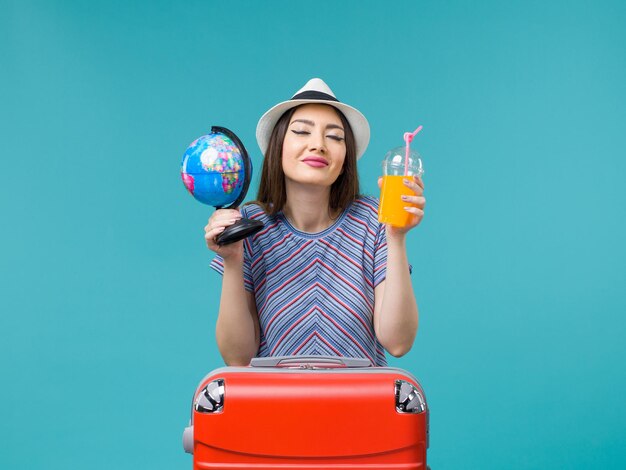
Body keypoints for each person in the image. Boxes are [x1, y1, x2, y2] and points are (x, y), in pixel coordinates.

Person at [205, 78, 425, 366]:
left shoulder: (374, 219)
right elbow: (237, 357)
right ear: (278, 146)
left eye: (334, 137)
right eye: (301, 132)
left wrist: (396, 237)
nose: (318, 145)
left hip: (361, 406)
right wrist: (233, 261)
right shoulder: (250, 224)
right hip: (275, 405)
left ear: (345, 157)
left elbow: (398, 342)